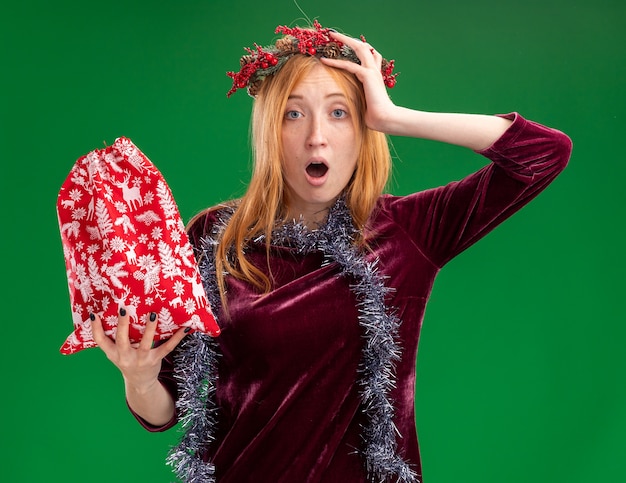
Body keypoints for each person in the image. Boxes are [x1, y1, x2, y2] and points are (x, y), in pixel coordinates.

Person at [90, 21, 572, 483]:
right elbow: (165, 410)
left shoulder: (407, 230)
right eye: (293, 113)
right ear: (270, 131)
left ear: (362, 129)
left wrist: (394, 117)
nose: (315, 136)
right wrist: (140, 378)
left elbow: (543, 154)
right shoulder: (215, 237)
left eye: (339, 112)